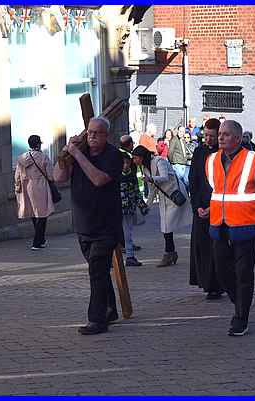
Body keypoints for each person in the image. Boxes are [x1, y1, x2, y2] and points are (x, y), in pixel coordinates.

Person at [53, 117, 123, 335]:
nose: (91, 136)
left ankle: (96, 320)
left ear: (106, 136)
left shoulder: (113, 155)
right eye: (89, 132)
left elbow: (99, 179)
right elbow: (58, 177)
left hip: (106, 226)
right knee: (99, 272)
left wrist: (77, 154)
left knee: (96, 270)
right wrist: (65, 155)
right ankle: (110, 309)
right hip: (84, 224)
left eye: (97, 133)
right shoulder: (79, 152)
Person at [207, 120, 255, 336]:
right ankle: (241, 302)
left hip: (246, 225)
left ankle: (241, 317)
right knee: (222, 271)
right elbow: (213, 189)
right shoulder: (212, 159)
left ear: (237, 138)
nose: (221, 138)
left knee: (244, 273)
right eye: (220, 134)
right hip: (220, 224)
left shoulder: (254, 160)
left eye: (226, 134)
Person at [132, 145, 192, 267]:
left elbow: (164, 177)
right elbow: (152, 190)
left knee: (167, 226)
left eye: (136, 158)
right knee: (165, 226)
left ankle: (169, 254)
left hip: (173, 194)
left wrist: (151, 178)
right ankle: (171, 253)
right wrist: (147, 206)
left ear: (142, 157)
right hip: (165, 198)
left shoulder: (159, 161)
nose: (134, 161)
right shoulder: (145, 169)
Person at [188, 118, 224, 300]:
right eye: (206, 136)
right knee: (202, 247)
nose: (208, 140)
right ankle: (206, 282)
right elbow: (193, 180)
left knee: (217, 248)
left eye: (212, 136)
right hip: (201, 207)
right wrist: (197, 206)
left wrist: (213, 206)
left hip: (219, 207)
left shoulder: (223, 153)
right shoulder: (199, 152)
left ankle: (218, 284)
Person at [14, 134, 55, 250]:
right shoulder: (43, 157)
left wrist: (17, 187)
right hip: (41, 187)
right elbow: (51, 175)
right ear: (38, 144)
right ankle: (37, 242)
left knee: (33, 213)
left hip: (27, 187)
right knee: (42, 215)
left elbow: (17, 175)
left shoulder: (21, 158)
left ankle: (41, 240)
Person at [120, 153, 147, 267]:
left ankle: (130, 256)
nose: (126, 165)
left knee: (127, 233)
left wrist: (142, 206)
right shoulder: (115, 175)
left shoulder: (132, 176)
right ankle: (112, 258)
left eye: (128, 163)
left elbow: (136, 192)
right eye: (123, 163)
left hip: (128, 208)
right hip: (116, 208)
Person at [119, 135, 143, 253]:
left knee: (124, 226)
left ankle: (125, 247)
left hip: (122, 203)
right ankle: (128, 251)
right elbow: (134, 185)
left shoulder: (116, 154)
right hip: (127, 203)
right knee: (127, 227)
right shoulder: (128, 157)